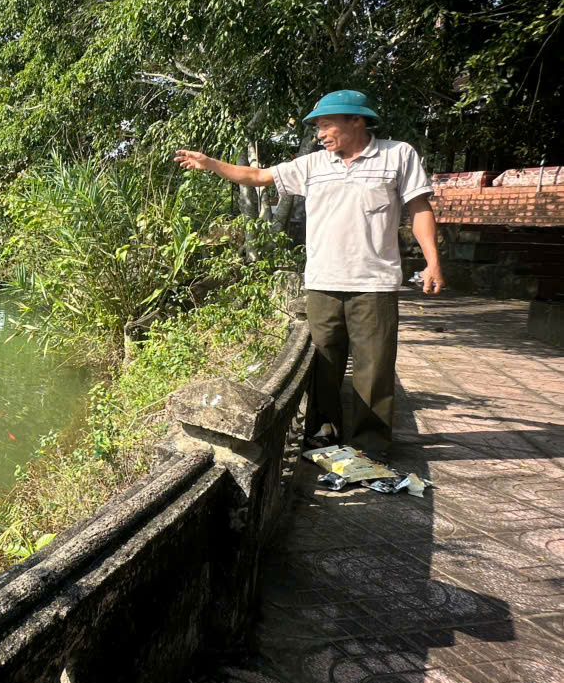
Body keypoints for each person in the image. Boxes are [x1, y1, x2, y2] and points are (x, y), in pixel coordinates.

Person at [174, 90, 444, 456]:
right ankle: (323, 435)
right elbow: (256, 175)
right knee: (323, 365)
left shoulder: (398, 155)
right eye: (317, 127)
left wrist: (432, 261)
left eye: (326, 124)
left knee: (375, 368)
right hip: (322, 282)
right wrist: (211, 164)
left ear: (357, 121)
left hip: (375, 283)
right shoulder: (313, 164)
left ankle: (370, 445)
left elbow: (419, 208)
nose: (320, 134)